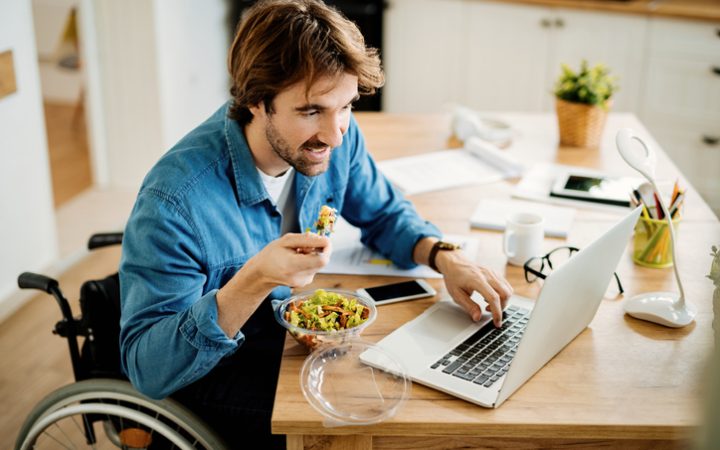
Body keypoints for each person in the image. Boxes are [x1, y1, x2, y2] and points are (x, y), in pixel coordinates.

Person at [119, 0, 513, 447]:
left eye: (345, 105)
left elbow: (384, 213)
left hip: (288, 340)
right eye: (311, 111)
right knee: (365, 424)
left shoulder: (335, 138)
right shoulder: (175, 201)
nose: (335, 133)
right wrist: (256, 278)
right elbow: (148, 371)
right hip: (213, 374)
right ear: (255, 101)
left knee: (418, 396)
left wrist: (444, 256)